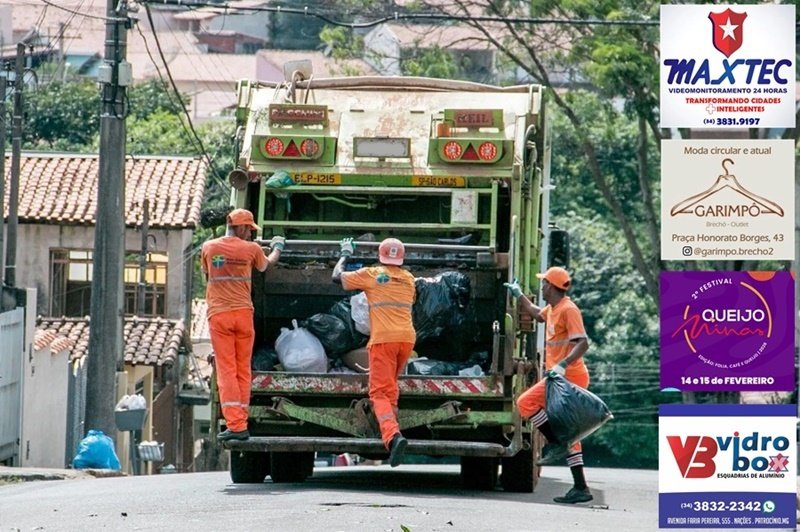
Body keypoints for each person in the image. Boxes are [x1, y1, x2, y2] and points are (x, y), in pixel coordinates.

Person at [504, 266, 592, 504]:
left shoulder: (568, 309)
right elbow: (535, 313)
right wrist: (518, 294)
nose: (541, 286)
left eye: (544, 283)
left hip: (569, 377)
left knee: (525, 402)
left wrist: (562, 365)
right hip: (559, 377)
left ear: (552, 286)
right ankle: (580, 486)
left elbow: (583, 343)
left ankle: (555, 444)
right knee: (570, 434)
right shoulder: (553, 309)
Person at [202, 208, 284, 442]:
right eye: (248, 228)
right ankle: (241, 419)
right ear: (237, 227)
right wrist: (278, 246)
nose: (250, 233)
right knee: (242, 370)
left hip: (220, 316)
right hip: (243, 316)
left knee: (227, 371)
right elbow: (266, 266)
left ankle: (236, 425)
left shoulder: (209, 247)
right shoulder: (252, 250)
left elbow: (208, 274)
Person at [332, 237, 416, 467]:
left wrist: (345, 254)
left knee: (378, 392)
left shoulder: (372, 274)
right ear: (401, 257)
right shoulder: (409, 279)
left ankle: (392, 437)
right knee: (390, 389)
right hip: (406, 339)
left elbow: (336, 277)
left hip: (383, 340)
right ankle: (392, 429)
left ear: (380, 256)